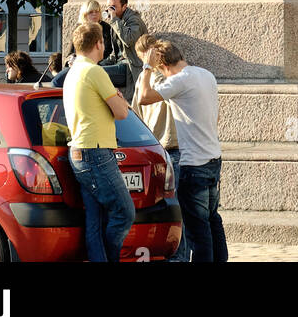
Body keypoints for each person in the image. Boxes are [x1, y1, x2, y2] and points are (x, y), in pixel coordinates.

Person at [138, 40, 227, 263]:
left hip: (194, 163)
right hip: (214, 157)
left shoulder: (178, 81)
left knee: (198, 230)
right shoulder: (206, 75)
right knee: (213, 219)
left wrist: (146, 67)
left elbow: (143, 97)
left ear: (163, 66)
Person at [63, 21, 135, 263]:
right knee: (124, 212)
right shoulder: (95, 71)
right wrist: (119, 99)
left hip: (79, 151)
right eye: (103, 41)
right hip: (96, 152)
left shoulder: (73, 72)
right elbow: (122, 113)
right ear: (98, 43)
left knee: (94, 221)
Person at [133, 33, 188, 263]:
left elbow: (136, 113)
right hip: (170, 147)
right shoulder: (175, 78)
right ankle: (178, 256)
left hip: (161, 148)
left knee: (171, 208)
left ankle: (177, 256)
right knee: (179, 209)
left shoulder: (160, 80)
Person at [103, 0, 146, 102]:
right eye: (109, 7)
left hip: (131, 66)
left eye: (114, 7)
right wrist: (97, 63)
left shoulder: (133, 20)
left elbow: (128, 40)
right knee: (91, 69)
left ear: (124, 6)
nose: (110, 10)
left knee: (95, 74)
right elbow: (116, 52)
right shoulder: (116, 20)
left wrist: (114, 20)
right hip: (120, 63)